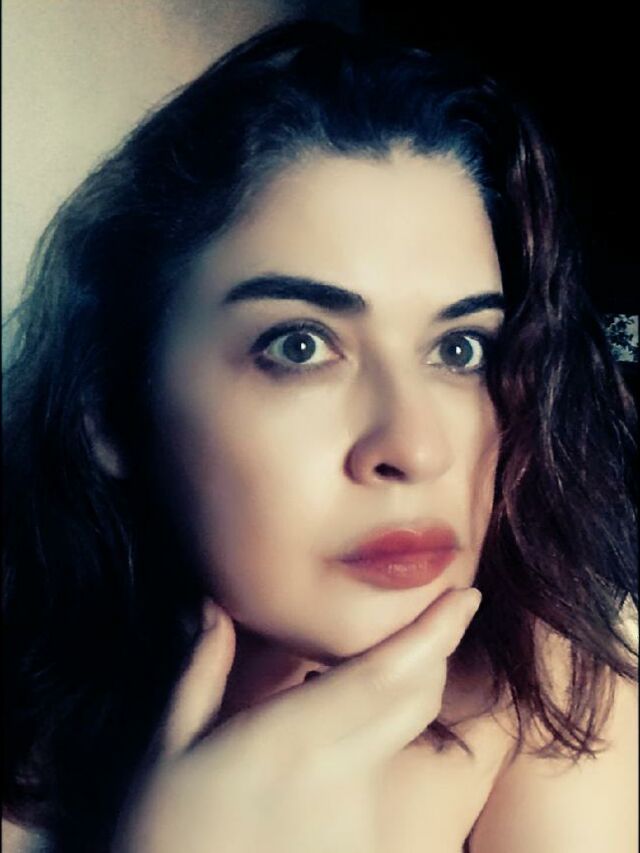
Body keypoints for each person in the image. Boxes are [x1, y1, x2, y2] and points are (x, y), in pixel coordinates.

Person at [3, 19, 637, 853]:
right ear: (112, 409)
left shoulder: (557, 685)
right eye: (299, 345)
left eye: (460, 349)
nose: (417, 448)